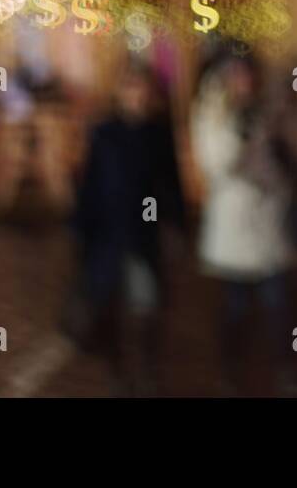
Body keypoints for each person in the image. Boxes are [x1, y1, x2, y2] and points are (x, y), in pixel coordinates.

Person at [70, 62, 185, 395]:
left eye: (143, 89)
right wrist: (81, 227)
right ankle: (117, 372)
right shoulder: (104, 132)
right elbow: (91, 184)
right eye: (130, 87)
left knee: (147, 306)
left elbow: (171, 182)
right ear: (120, 92)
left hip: (143, 234)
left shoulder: (159, 133)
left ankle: (148, 368)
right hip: (108, 234)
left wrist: (175, 223)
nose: (137, 95)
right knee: (111, 309)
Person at [192, 52, 297, 396]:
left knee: (280, 307)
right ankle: (230, 372)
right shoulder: (211, 113)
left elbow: (293, 154)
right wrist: (238, 130)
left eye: (249, 74)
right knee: (235, 310)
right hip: (234, 228)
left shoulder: (269, 109)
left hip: (269, 225)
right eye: (237, 75)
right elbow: (217, 165)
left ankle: (287, 371)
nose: (245, 81)